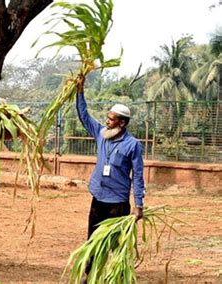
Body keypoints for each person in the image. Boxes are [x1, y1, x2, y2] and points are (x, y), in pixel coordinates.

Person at [75, 74, 145, 278]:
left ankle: (118, 277)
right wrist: (80, 91)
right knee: (93, 241)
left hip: (118, 204)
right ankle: (89, 277)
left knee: (116, 244)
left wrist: (138, 205)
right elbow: (83, 115)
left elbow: (138, 176)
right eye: (107, 117)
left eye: (111, 119)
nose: (106, 121)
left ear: (121, 123)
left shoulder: (133, 145)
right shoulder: (101, 133)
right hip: (98, 198)